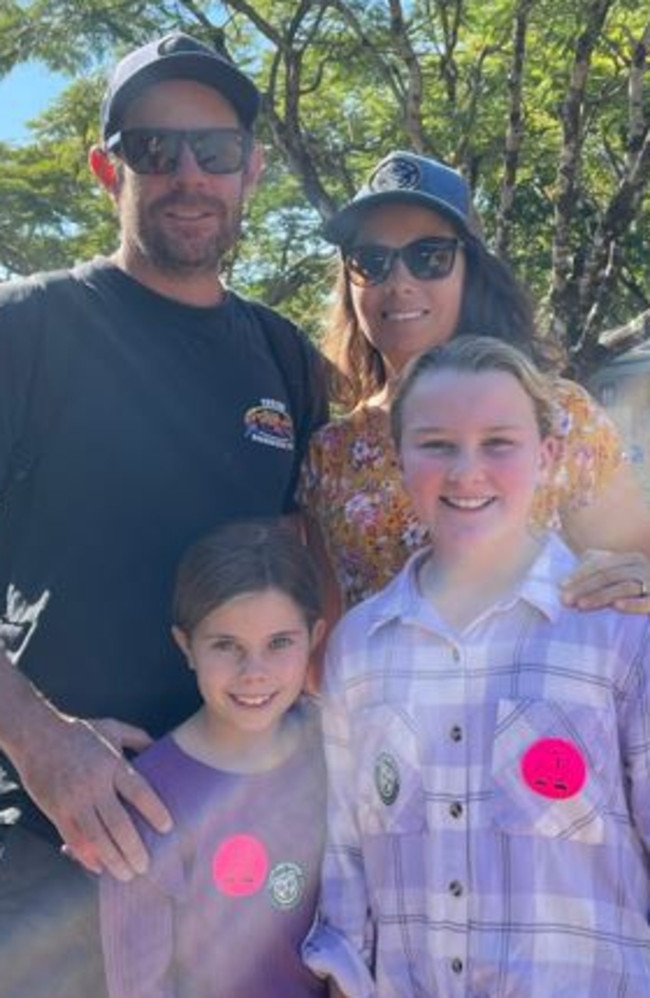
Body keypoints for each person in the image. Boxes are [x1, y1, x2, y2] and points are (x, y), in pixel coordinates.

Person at [0, 32, 326, 997]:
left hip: (250, 853)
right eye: (154, 149)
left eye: (216, 151)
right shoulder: (29, 327)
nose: (189, 174)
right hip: (65, 849)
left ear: (252, 169)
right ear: (108, 169)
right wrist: (40, 739)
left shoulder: (284, 357)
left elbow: (348, 548)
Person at [304, 336, 650, 996]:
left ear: (546, 457)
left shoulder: (618, 630)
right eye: (436, 444)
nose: (467, 471)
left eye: (499, 442)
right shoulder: (359, 648)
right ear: (398, 460)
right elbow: (348, 865)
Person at [299, 150, 650, 613]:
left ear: (471, 271)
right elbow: (325, 628)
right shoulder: (331, 453)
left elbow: (635, 561)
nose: (399, 281)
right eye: (372, 260)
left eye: (429, 257)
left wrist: (639, 583)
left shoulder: (561, 416)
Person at [100, 519, 327, 997]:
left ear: (315, 637)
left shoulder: (336, 750)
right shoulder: (149, 796)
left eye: (280, 643)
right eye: (227, 646)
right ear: (186, 646)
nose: (254, 673)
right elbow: (141, 985)